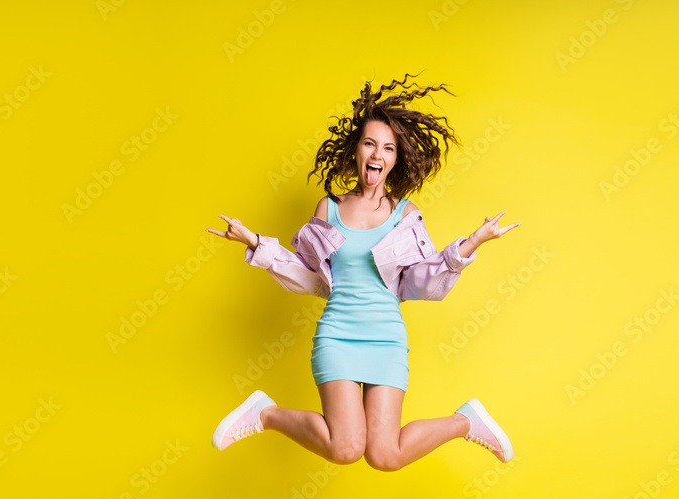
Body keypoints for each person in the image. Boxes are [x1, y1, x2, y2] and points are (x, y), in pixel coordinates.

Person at [205, 73, 520, 471]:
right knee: (345, 448)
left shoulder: (406, 215)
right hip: (338, 335)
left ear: (395, 159)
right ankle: (264, 413)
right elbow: (311, 278)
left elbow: (418, 282)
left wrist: (470, 243)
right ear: (357, 150)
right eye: (370, 143)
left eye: (388, 148)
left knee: (385, 455)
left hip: (386, 339)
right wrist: (256, 244)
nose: (378, 153)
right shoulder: (329, 209)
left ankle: (465, 422)